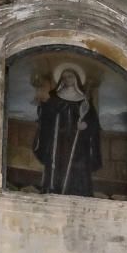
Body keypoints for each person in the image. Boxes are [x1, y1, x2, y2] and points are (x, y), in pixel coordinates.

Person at [33, 68, 102, 196]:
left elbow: (93, 121)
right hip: (58, 142)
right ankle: (53, 190)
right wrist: (44, 107)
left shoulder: (84, 100)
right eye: (64, 77)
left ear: (76, 79)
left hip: (78, 143)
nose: (67, 79)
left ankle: (76, 192)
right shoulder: (55, 97)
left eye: (70, 76)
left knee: (77, 168)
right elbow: (46, 117)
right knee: (56, 165)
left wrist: (85, 125)